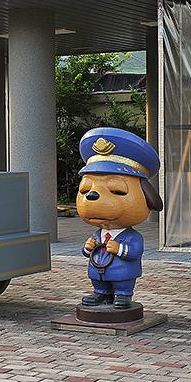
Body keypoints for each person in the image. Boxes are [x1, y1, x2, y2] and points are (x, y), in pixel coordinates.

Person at [77, 127, 163, 309]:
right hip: (98, 269)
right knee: (97, 281)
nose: (91, 195)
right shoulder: (97, 235)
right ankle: (101, 293)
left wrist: (119, 248)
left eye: (117, 191)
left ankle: (123, 295)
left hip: (123, 272)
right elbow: (85, 253)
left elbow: (134, 251)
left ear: (148, 197)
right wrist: (87, 248)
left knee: (123, 281)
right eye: (85, 189)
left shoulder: (132, 237)